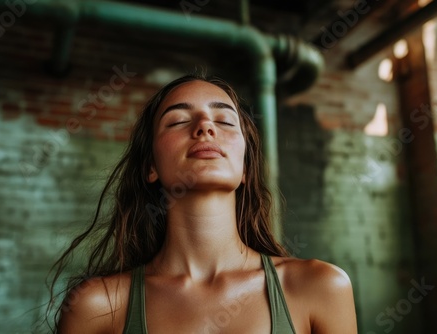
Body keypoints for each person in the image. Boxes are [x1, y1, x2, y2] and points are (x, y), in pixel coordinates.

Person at [48, 74, 357, 333]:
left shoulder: (320, 287)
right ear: (150, 167)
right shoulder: (97, 307)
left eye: (224, 120)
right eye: (178, 121)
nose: (205, 127)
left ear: (246, 167)